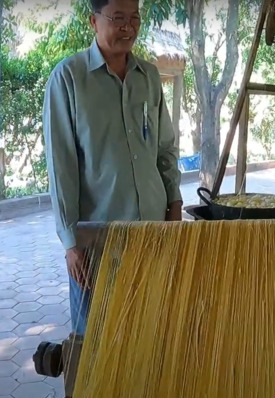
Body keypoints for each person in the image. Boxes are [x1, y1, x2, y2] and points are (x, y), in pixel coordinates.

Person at [43, 0, 183, 336]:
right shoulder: (68, 79)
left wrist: (174, 206)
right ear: (93, 21)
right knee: (97, 347)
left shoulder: (149, 77)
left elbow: (165, 150)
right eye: (117, 18)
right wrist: (70, 243)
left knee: (149, 336)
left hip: (153, 236)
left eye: (134, 18)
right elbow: (61, 167)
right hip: (98, 244)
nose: (128, 27)